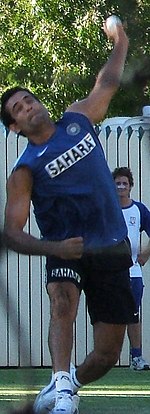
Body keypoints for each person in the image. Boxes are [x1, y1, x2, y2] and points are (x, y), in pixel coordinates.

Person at [1, 19, 137, 414]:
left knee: (107, 355)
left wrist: (121, 41)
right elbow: (12, 232)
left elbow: (107, 82)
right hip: (67, 250)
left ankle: (66, 385)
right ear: (15, 126)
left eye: (29, 100)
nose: (28, 107)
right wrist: (54, 247)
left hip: (111, 248)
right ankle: (63, 394)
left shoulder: (78, 120)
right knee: (62, 301)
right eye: (18, 109)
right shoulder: (24, 171)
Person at [113, 167, 150, 370]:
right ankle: (106, 358)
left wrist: (144, 255)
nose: (120, 187)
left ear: (130, 186)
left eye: (124, 183)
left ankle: (136, 357)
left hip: (133, 272)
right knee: (108, 315)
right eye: (117, 183)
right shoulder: (107, 209)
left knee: (132, 313)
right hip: (109, 273)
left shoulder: (139, 210)